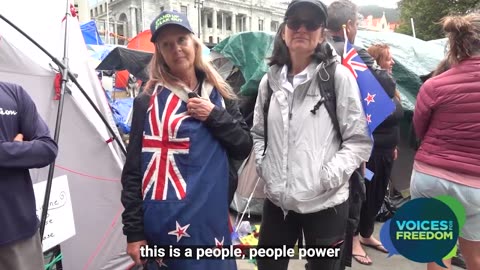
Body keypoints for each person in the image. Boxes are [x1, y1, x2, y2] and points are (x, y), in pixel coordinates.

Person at [120, 10, 252, 270]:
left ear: (194, 42)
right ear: (159, 51)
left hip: (211, 222)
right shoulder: (147, 101)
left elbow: (243, 145)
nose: (176, 48)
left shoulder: (220, 94)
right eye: (166, 44)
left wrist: (214, 116)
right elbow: (134, 170)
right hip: (165, 227)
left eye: (181, 39)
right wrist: (134, 233)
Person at [251, 1, 373, 269]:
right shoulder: (269, 82)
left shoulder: (338, 78)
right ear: (284, 30)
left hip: (325, 203)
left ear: (322, 33)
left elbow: (358, 141)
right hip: (278, 202)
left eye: (311, 23)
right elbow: (259, 133)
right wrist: (265, 166)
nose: (301, 29)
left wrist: (327, 176)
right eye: (294, 22)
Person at [326, 0, 398, 266]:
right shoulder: (351, 53)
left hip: (318, 146)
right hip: (349, 146)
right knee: (350, 201)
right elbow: (387, 85)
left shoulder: (308, 51)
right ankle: (344, 252)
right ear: (350, 26)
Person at [411, 13, 480, 270]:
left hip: (431, 178)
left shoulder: (434, 84)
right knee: (475, 258)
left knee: (439, 254)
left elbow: (419, 130)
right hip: (475, 185)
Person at [349, 43, 403, 265]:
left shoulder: (391, 88)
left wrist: (394, 146)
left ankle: (366, 233)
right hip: (369, 155)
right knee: (363, 195)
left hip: (387, 153)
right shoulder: (367, 90)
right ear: (377, 62)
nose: (392, 63)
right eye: (388, 59)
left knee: (378, 194)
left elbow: (394, 121)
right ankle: (353, 241)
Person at [0, 81, 58, 269]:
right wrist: (18, 149)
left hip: (17, 232)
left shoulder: (13, 93)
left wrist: (5, 151)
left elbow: (47, 148)